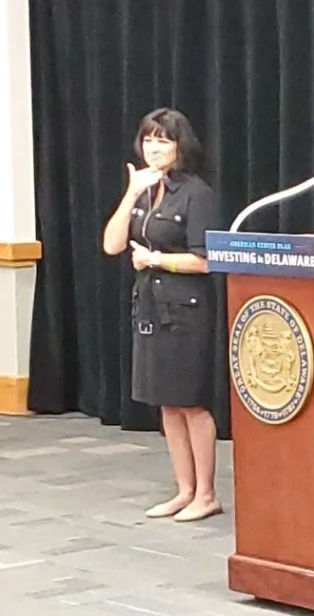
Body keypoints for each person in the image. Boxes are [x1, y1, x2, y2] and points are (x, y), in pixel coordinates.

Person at [101, 108, 222, 522]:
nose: (154, 148)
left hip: (187, 310)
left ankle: (206, 493)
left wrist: (158, 259)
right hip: (151, 307)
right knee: (167, 405)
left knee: (191, 403)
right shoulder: (146, 190)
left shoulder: (195, 193)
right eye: (149, 140)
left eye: (163, 140)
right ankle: (183, 489)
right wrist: (131, 193)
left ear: (180, 145)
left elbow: (207, 261)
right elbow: (113, 245)